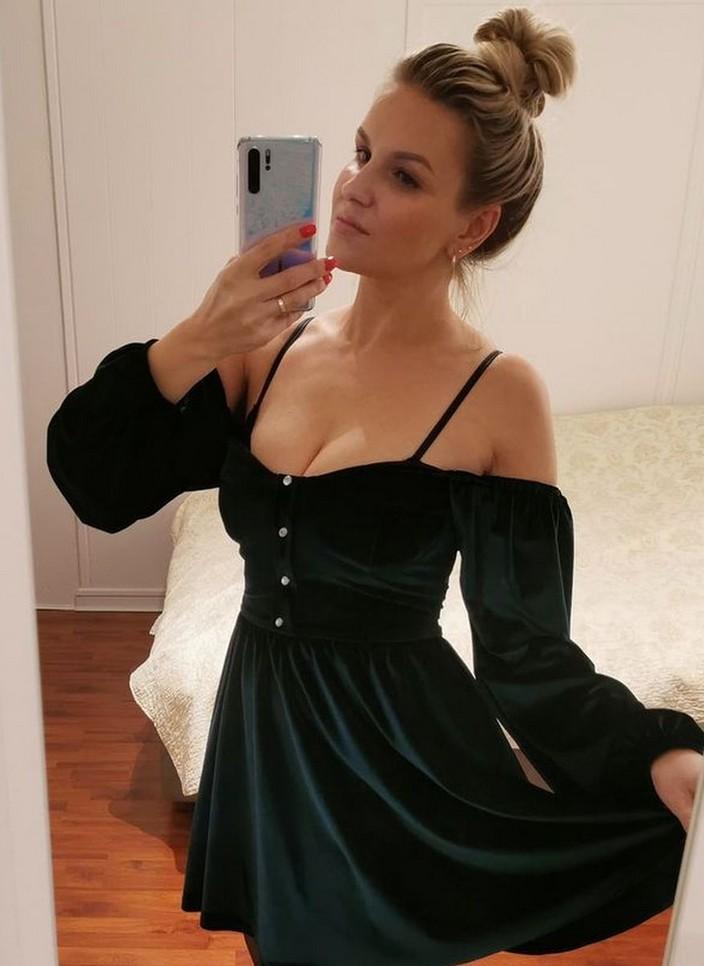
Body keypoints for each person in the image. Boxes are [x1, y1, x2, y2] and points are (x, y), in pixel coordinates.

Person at [46, 8, 704, 965]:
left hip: (397, 763)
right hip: (265, 733)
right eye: (360, 153)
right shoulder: (263, 350)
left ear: (473, 225)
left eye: (404, 175)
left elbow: (526, 654)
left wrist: (659, 751)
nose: (354, 186)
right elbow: (95, 484)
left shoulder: (500, 394)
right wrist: (197, 335)